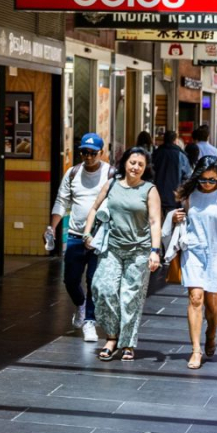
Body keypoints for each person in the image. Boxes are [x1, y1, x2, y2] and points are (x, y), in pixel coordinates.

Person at [84, 146, 161, 362]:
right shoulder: (112, 184)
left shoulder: (149, 190)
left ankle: (126, 343)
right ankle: (112, 335)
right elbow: (94, 208)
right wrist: (87, 233)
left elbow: (155, 222)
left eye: (140, 164)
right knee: (103, 288)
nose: (135, 167)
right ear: (125, 162)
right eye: (132, 162)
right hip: (112, 247)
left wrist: (155, 251)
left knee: (130, 297)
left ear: (146, 168)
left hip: (139, 250)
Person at [47, 133, 113, 343]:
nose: (88, 156)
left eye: (93, 153)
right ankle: (81, 304)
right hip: (76, 235)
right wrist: (52, 227)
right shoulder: (73, 173)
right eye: (84, 152)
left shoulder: (110, 174)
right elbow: (61, 201)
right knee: (70, 280)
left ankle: (90, 322)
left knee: (94, 280)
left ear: (101, 153)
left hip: (99, 237)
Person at [171, 157, 217, 369]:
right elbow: (183, 219)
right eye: (203, 179)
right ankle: (196, 350)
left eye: (212, 180)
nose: (207, 184)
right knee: (196, 298)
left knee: (212, 303)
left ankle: (211, 333)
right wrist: (175, 218)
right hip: (193, 250)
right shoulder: (190, 194)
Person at [152, 129, 192, 218]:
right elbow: (187, 177)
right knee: (172, 222)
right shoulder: (181, 155)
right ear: (175, 140)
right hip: (174, 197)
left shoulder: (156, 153)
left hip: (156, 196)